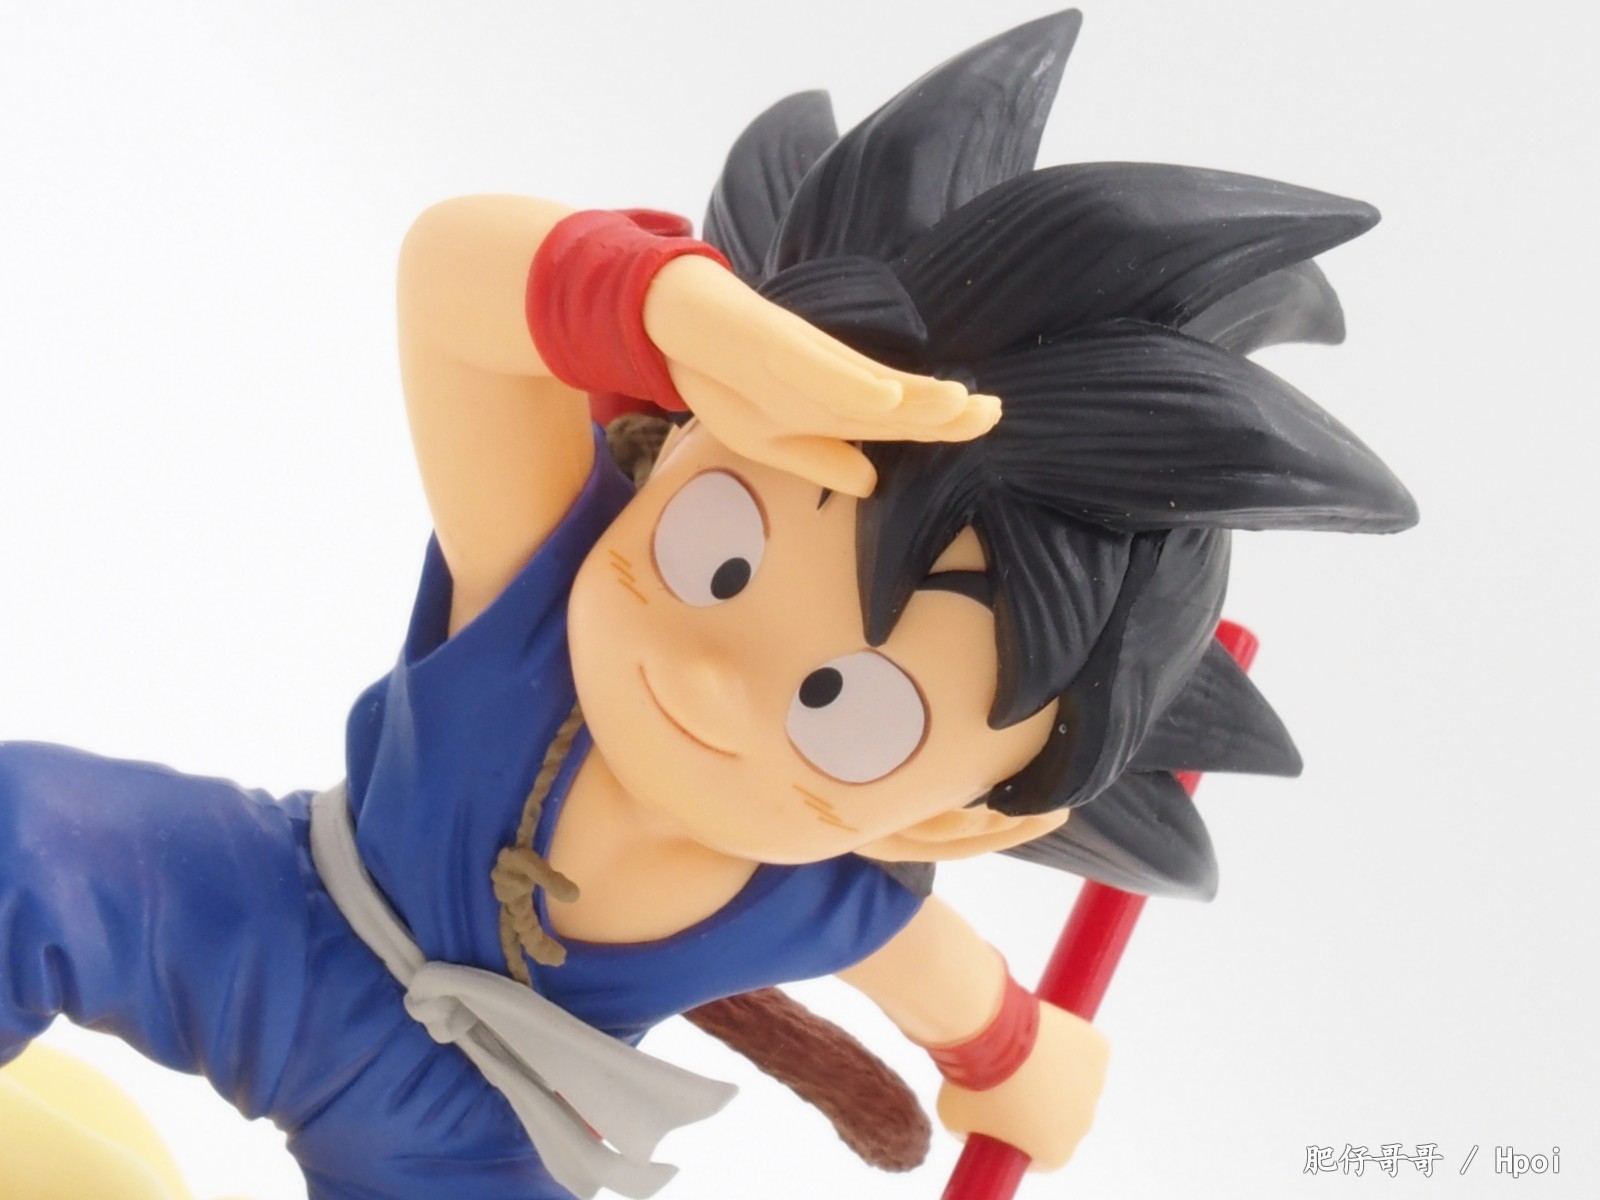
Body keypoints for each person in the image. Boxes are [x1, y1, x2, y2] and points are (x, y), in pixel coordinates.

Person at [0, 11, 1414, 1200]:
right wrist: (664, 310)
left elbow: (974, 1014)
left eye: (847, 708)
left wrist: (1018, 1060)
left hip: (483, 1130)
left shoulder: (833, 896)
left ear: (963, 819)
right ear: (675, 446)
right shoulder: (534, 583)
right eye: (715, 551)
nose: (712, 673)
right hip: (272, 914)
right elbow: (449, 281)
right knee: (25, 837)